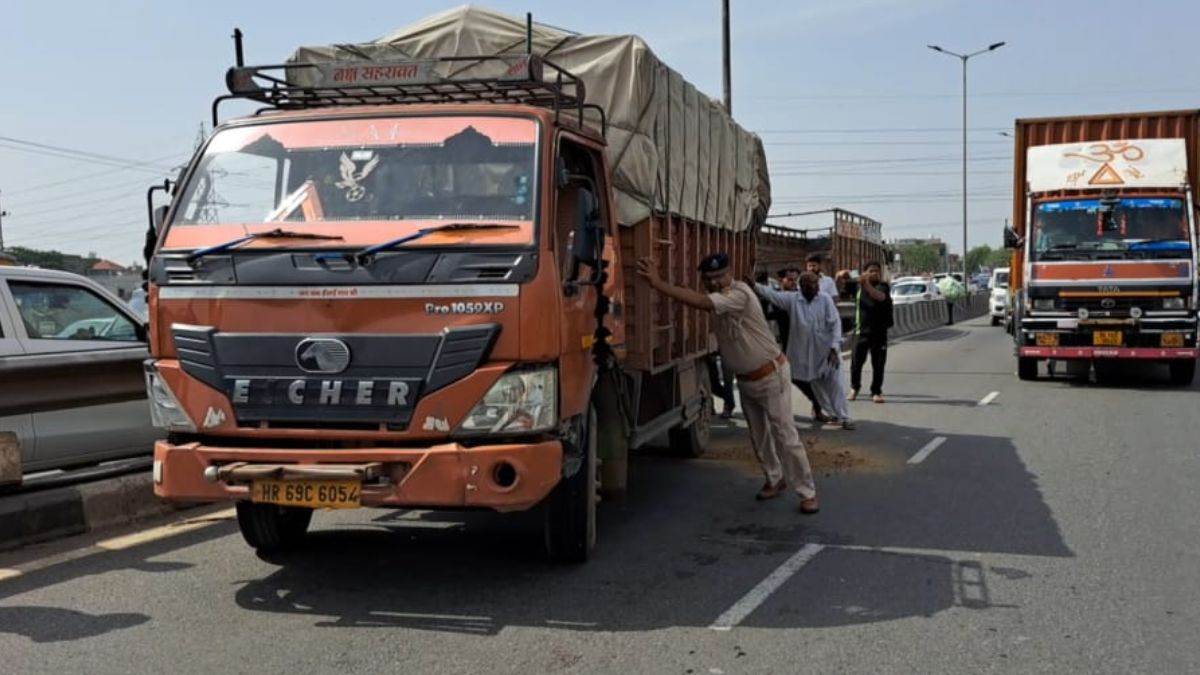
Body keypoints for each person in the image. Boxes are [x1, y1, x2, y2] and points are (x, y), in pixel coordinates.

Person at [638, 253, 820, 513]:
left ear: (730, 273)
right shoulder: (722, 297)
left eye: (719, 276)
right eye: (708, 279)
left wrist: (657, 283)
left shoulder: (739, 293)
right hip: (747, 380)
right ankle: (774, 478)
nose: (714, 282)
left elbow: (702, 303)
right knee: (759, 436)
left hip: (770, 375)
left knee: (785, 435)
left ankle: (807, 492)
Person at [756, 272, 855, 430]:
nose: (813, 288)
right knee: (817, 388)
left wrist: (834, 348)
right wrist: (755, 286)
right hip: (806, 356)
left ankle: (845, 417)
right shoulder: (793, 300)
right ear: (801, 287)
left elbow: (835, 324)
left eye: (815, 284)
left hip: (828, 353)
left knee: (837, 385)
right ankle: (833, 413)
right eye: (809, 285)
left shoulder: (825, 300)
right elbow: (772, 295)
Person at [850, 261, 893, 403]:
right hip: (861, 331)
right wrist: (841, 276)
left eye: (877, 271)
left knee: (878, 363)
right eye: (871, 271)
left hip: (879, 332)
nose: (875, 273)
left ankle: (876, 391)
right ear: (865, 272)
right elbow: (842, 285)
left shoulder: (883, 286)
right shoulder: (858, 286)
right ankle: (854, 388)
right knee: (856, 362)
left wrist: (866, 284)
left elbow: (879, 296)